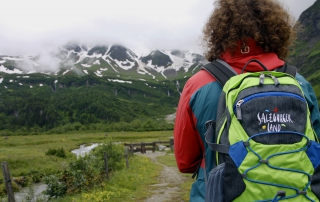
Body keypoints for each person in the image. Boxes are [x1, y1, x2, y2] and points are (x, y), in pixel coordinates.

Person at [173, 0, 320, 201]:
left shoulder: (198, 85)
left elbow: (185, 162)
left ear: (219, 32)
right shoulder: (300, 84)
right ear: (277, 32)